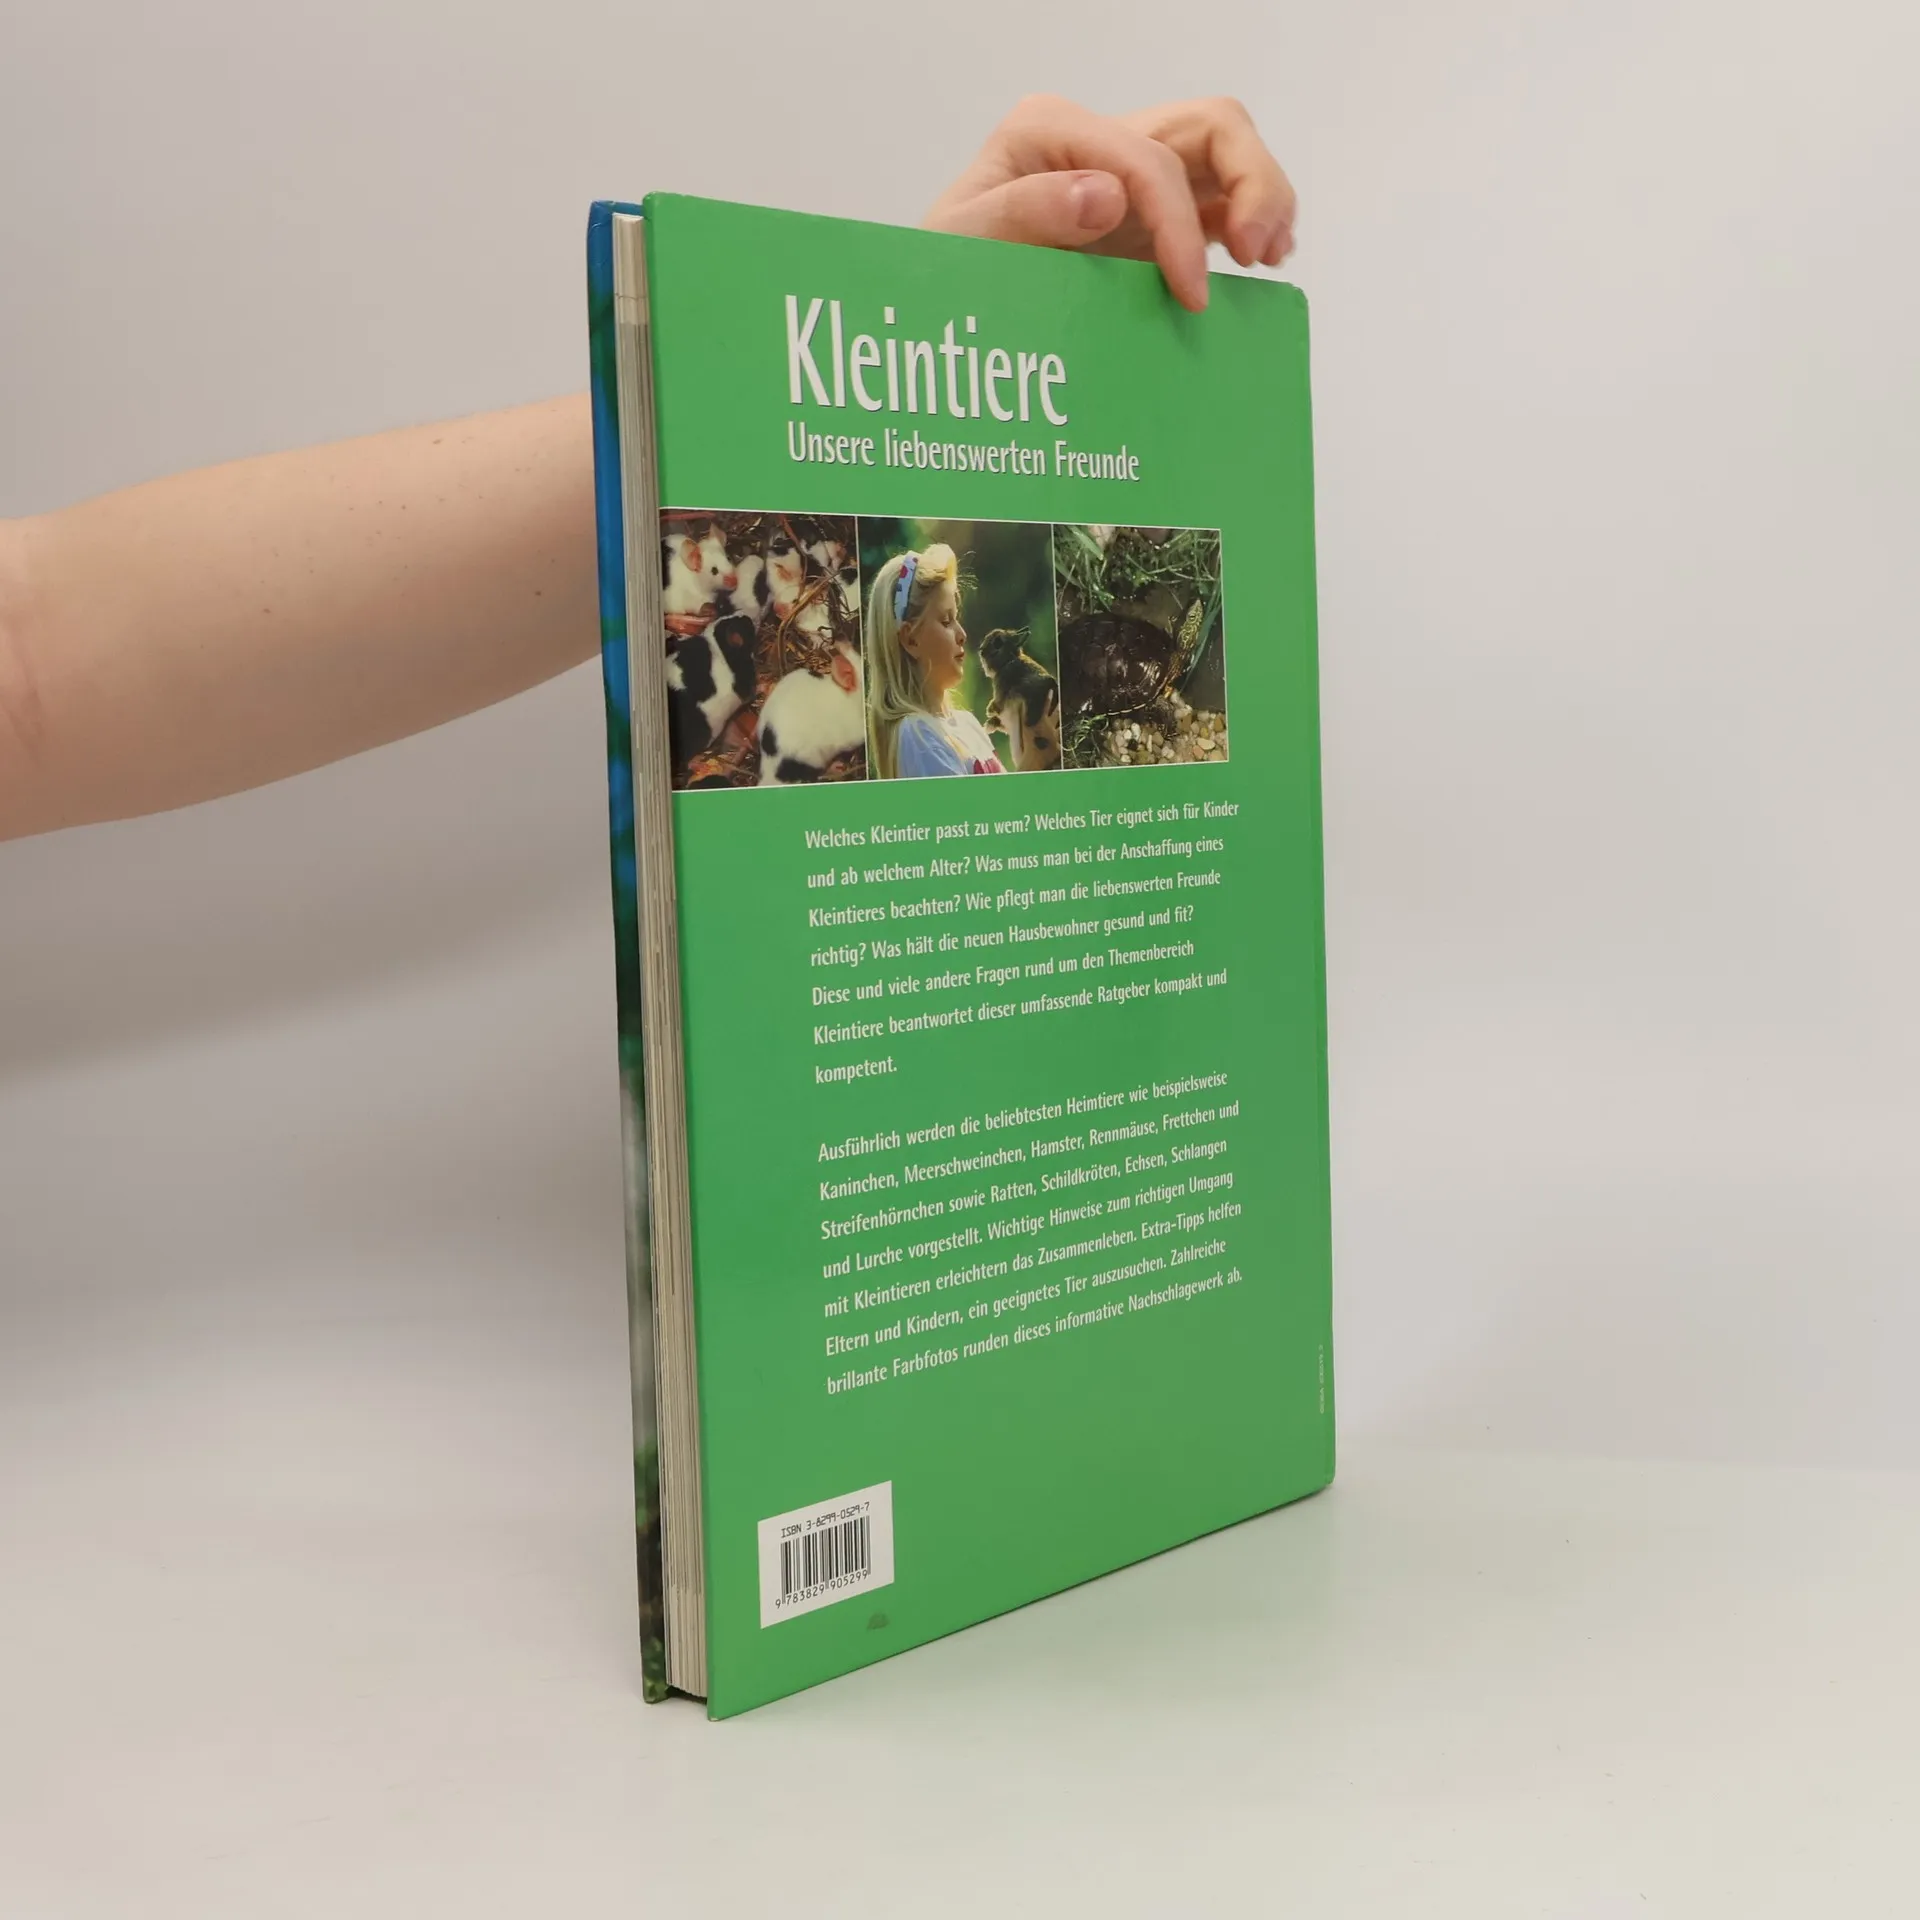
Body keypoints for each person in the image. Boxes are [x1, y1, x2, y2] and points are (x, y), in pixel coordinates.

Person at [0, 95, 1295, 844]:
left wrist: (883, 362)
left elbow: (37, 664)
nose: (961, 636)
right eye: (944, 618)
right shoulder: (899, 737)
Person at [866, 545, 1003, 779]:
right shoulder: (917, 734)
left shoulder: (967, 723)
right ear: (910, 639)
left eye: (956, 618)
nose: (962, 634)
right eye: (946, 621)